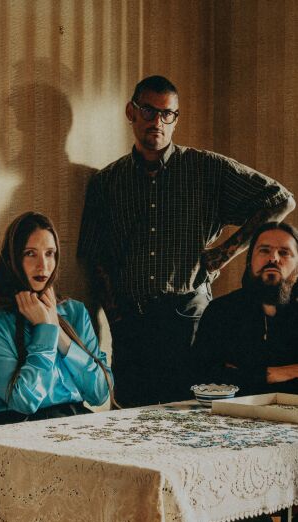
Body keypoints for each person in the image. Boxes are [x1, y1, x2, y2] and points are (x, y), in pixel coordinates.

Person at [77, 75, 295, 408]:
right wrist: (116, 320)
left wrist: (225, 252)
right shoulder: (107, 182)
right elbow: (96, 257)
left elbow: (280, 200)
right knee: (130, 418)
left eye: (168, 114)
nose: (158, 122)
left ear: (175, 119)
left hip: (189, 318)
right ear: (131, 112)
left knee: (192, 413)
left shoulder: (206, 169)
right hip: (131, 323)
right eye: (149, 111)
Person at [0, 212, 115, 423]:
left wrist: (58, 332)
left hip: (77, 423)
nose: (43, 266)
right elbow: (24, 401)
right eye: (30, 253)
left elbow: (100, 392)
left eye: (49, 253)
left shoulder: (75, 311)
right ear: (12, 258)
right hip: (19, 428)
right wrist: (45, 331)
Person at [193, 221, 298, 396]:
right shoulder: (221, 311)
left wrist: (242, 374)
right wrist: (281, 373)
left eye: (284, 252)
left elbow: (230, 377)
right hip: (233, 410)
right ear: (250, 260)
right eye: (264, 250)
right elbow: (205, 377)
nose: (273, 258)